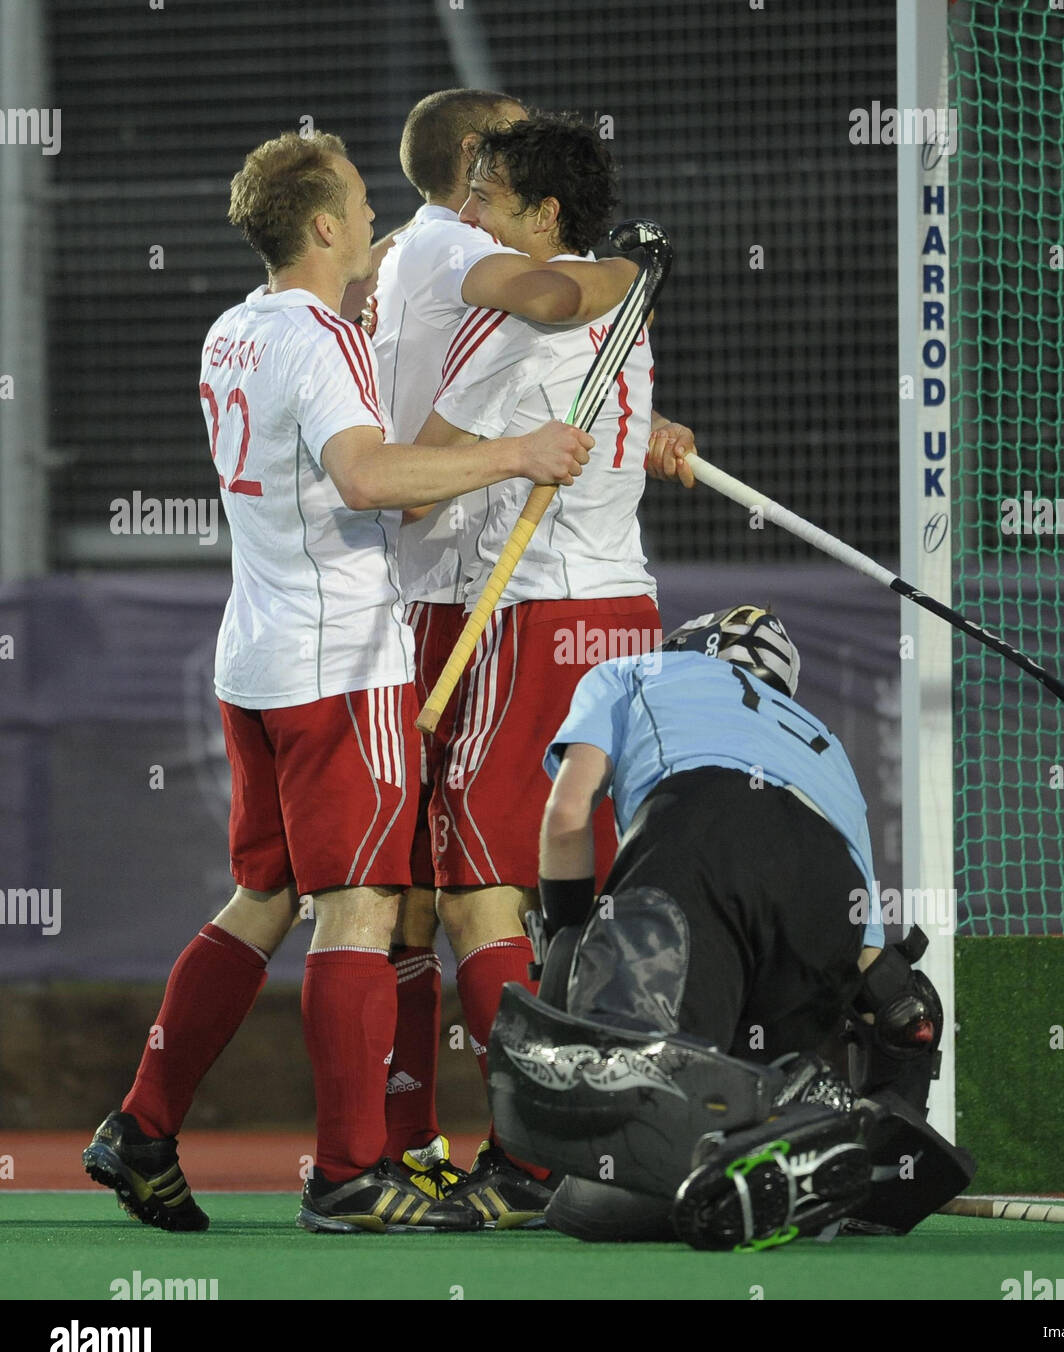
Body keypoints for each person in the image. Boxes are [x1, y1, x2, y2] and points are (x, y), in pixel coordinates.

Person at [81, 129, 593, 1235]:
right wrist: (517, 452)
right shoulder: (319, 340)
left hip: (255, 659)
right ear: (322, 227)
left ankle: (143, 1124)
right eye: (360, 204)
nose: (374, 218)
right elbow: (367, 477)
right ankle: (351, 1170)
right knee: (359, 904)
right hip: (339, 662)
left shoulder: (233, 331)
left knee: (266, 897)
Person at [345, 91, 697, 1217]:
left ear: (545, 214)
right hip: (622, 620)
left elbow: (418, 473)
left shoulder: (515, 312)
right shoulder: (625, 310)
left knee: (470, 887)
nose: (476, 217)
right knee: (563, 895)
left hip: (524, 618)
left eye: (493, 201)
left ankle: (540, 1149)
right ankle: (532, 1135)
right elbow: (616, 427)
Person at [486, 604, 974, 1249]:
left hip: (695, 843)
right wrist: (899, 1075)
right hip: (826, 895)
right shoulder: (820, 737)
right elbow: (880, 972)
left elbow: (568, 814)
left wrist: (570, 934)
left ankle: (709, 1161)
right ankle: (798, 1116)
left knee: (591, 1196)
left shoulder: (633, 669)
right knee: (728, 1099)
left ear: (693, 644)